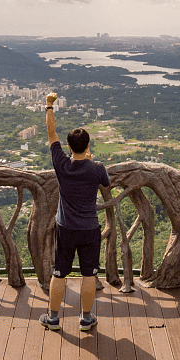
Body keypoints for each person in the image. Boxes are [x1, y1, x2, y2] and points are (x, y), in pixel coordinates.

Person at [39, 92, 110, 332]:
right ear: (88, 145)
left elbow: (51, 134)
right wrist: (90, 160)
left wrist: (49, 105)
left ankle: (53, 318)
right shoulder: (97, 168)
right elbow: (106, 183)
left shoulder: (62, 164)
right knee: (88, 274)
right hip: (90, 229)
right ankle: (86, 318)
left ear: (68, 146)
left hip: (66, 228)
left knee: (59, 273)